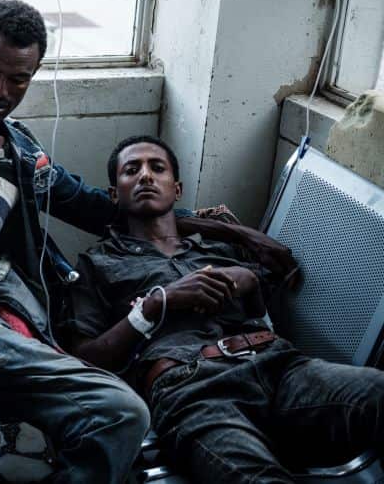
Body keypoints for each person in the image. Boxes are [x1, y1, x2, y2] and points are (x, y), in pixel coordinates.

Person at [0, 0, 285, 483]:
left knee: (121, 410)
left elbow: (109, 208)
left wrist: (227, 230)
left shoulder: (25, 158)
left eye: (19, 80)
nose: (0, 90)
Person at [68, 135, 384, 483]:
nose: (145, 176)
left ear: (177, 189)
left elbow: (277, 280)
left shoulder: (223, 246)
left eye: (157, 168)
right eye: (132, 170)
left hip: (280, 368)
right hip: (193, 389)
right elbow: (87, 358)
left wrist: (246, 275)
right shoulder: (97, 262)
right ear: (115, 193)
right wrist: (155, 304)